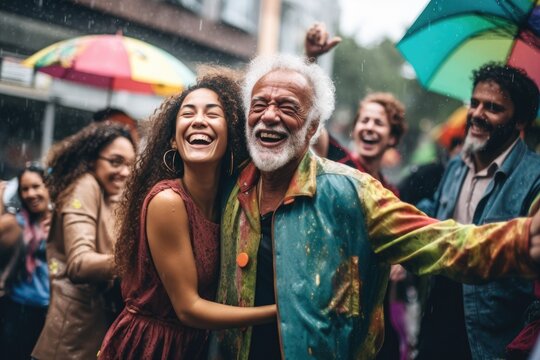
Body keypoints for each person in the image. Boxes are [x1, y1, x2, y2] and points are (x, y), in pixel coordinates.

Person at [207, 53, 540, 360]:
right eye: (259, 104)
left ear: (312, 127)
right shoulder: (230, 184)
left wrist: (522, 239)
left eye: (287, 106)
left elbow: (440, 242)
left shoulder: (353, 193)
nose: (269, 115)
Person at [98, 73, 276, 359]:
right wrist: (279, 313)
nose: (199, 120)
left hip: (193, 348)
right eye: (188, 113)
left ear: (231, 134)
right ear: (172, 140)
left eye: (212, 113)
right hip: (152, 348)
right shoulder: (167, 201)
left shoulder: (230, 203)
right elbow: (189, 308)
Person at [416, 63, 540, 360]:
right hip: (437, 311)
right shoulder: (458, 163)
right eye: (474, 103)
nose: (477, 114)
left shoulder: (535, 178)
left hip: (491, 333)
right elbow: (436, 207)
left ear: (520, 120)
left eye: (493, 107)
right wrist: (415, 219)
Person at [306, 22, 410, 359]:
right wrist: (311, 61)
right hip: (325, 301)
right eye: (364, 120)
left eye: (378, 122)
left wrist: (399, 262)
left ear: (392, 137)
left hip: (371, 310)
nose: (368, 126)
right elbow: (309, 123)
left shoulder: (392, 192)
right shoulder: (338, 160)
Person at [32, 122, 136, 360]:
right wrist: (136, 259)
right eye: (115, 161)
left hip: (86, 337)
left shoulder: (106, 192)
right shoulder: (84, 186)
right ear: (91, 159)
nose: (125, 172)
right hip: (71, 343)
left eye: (130, 165)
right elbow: (79, 264)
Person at [0, 163, 51, 360]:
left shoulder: (62, 221)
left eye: (36, 186)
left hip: (49, 311)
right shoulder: (17, 222)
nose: (31, 194)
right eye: (25, 189)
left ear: (48, 187)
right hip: (17, 307)